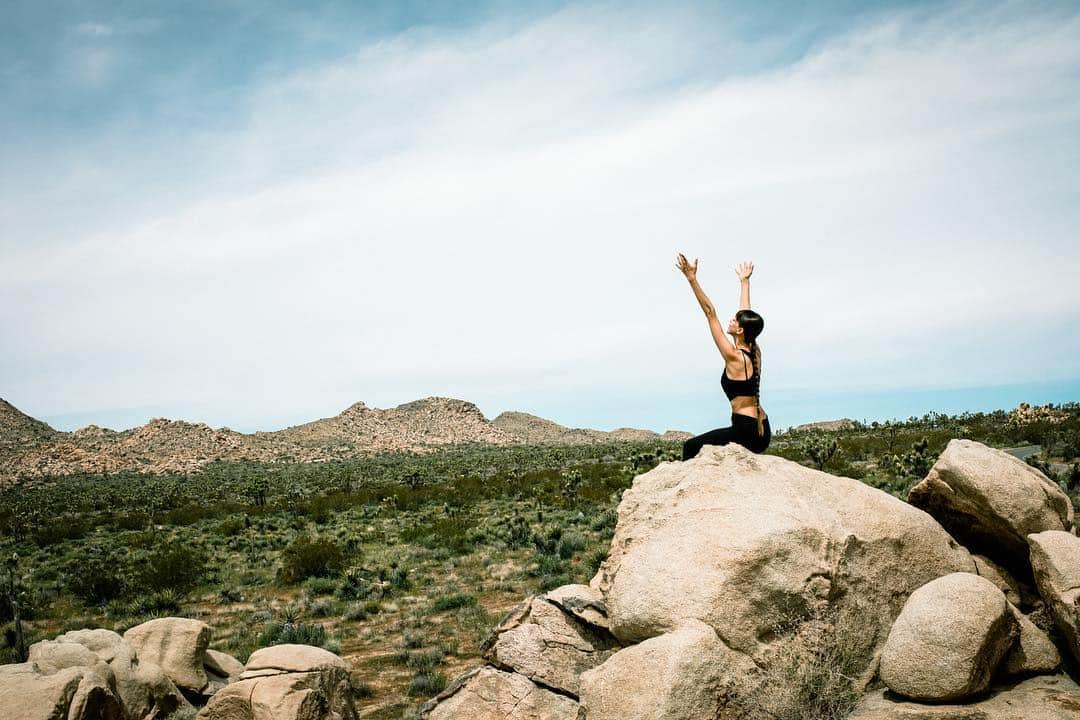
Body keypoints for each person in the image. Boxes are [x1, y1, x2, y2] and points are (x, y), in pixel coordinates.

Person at [676, 253, 771, 459]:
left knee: (690, 447)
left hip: (745, 432)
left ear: (741, 331)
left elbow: (710, 312)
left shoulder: (734, 356)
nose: (732, 320)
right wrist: (744, 282)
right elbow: (746, 313)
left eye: (736, 321)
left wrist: (692, 279)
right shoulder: (755, 350)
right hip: (763, 430)